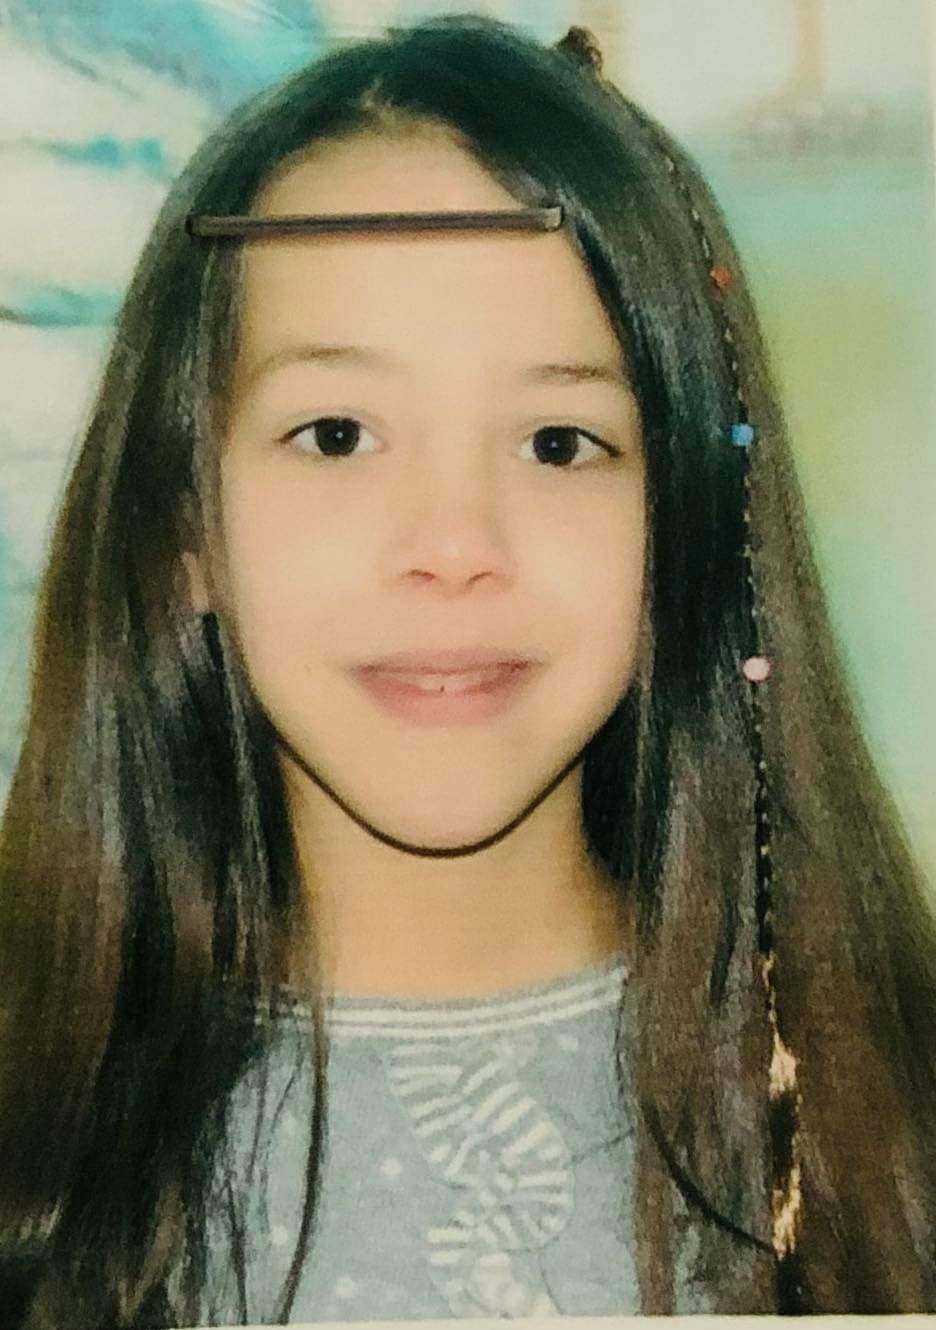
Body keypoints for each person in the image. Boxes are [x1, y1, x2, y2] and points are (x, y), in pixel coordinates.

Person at [1, 13, 934, 1327]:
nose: (453, 546)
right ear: (181, 528)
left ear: (689, 519)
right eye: (336, 433)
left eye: (559, 442)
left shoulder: (891, 1125)